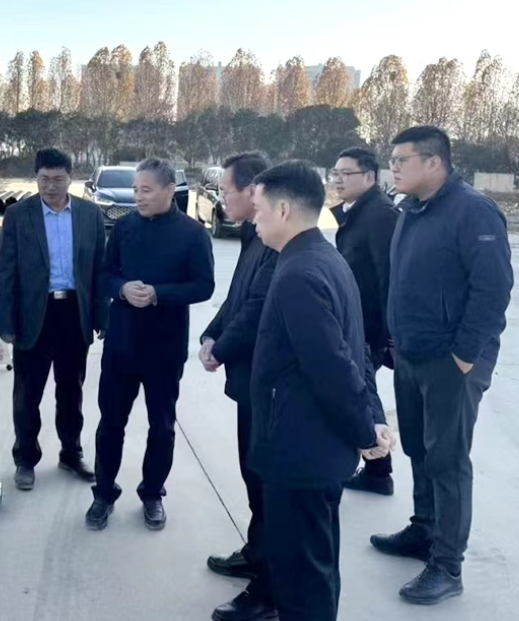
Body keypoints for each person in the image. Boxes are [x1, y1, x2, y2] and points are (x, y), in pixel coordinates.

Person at [216, 161, 392, 621]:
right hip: (315, 450)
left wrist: (366, 430)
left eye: (259, 210)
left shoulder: (298, 273)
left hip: (299, 452)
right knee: (315, 566)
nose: (254, 220)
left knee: (301, 578)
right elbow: (356, 351)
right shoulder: (325, 259)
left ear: (284, 210)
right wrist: (372, 418)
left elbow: (333, 366)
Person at [372, 126, 513, 605]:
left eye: (402, 160)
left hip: (451, 362)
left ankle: (447, 565)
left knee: (448, 460)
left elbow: (492, 290)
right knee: (418, 448)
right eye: (392, 160)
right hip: (411, 355)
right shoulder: (411, 209)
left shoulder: (473, 211)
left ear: (434, 162)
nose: (393, 167)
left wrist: (464, 356)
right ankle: (424, 530)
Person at [86, 158, 215, 531]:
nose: (138, 197)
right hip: (121, 345)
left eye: (146, 190)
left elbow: (204, 286)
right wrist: (122, 289)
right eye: (135, 190)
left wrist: (159, 294)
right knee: (111, 424)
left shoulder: (193, 234)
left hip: (165, 347)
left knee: (162, 427)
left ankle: (153, 493)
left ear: (169, 190)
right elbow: (105, 275)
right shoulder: (124, 227)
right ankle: (103, 493)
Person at [0, 148, 108, 492]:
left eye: (58, 179)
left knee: (71, 390)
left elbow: (99, 270)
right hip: (34, 315)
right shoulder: (18, 215)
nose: (51, 186)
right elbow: (6, 271)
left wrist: (101, 316)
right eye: (44, 179)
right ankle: (25, 459)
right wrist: (6, 323)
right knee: (27, 394)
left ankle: (71, 452)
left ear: (71, 178)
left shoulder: (89, 214)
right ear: (36, 178)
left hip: (74, 313)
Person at [199, 153, 277, 591]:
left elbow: (258, 307)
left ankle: (267, 579)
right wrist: (212, 334)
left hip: (266, 382)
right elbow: (237, 298)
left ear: (252, 191)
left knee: (264, 478)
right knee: (251, 470)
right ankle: (257, 552)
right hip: (247, 378)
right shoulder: (253, 232)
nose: (222, 198)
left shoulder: (275, 240)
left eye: (226, 190)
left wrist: (222, 348)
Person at [329, 147, 400, 496]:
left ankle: (377, 468)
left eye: (347, 174)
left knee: (360, 394)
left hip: (369, 327)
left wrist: (387, 336)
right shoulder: (358, 211)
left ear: (369, 177)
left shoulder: (381, 215)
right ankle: (377, 470)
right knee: (362, 393)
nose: (338, 180)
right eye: (336, 173)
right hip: (356, 321)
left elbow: (390, 278)